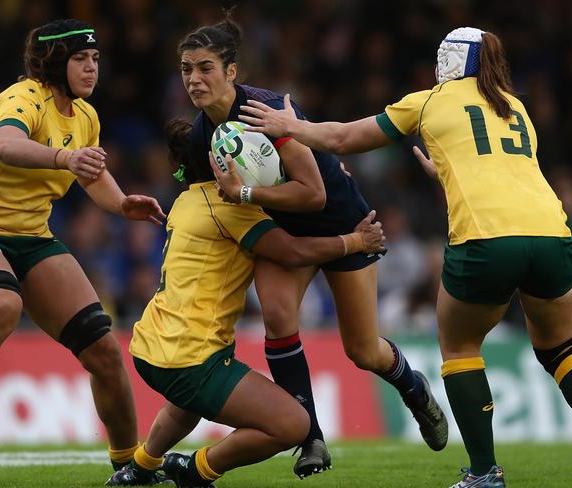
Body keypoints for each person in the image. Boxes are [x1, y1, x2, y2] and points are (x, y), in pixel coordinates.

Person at [240, 27, 572, 488]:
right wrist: (446, 172)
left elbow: (342, 138)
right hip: (553, 235)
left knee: (459, 349)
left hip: (486, 239)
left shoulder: (427, 101)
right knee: (560, 348)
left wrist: (291, 127)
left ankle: (484, 473)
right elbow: (502, 172)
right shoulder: (513, 105)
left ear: (455, 61)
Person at [175, 15, 449, 479]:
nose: (194, 79)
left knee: (363, 351)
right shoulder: (202, 134)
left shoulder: (265, 112)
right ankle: (312, 439)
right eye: (186, 69)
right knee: (278, 317)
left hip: (343, 222)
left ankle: (413, 386)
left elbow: (314, 193)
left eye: (205, 68)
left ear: (232, 72)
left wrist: (247, 194)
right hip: (285, 234)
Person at [0, 19, 166, 473]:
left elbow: (90, 173)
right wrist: (65, 157)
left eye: (95, 59)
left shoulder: (86, 116)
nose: (92, 68)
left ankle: (129, 468)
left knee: (105, 352)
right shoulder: (24, 98)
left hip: (33, 239)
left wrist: (121, 204)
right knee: (1, 305)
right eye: (81, 59)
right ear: (56, 62)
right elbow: (7, 144)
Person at [106, 118, 387, 487]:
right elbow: (289, 250)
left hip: (152, 345)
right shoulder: (231, 208)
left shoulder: (188, 199)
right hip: (191, 356)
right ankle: (195, 470)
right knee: (292, 425)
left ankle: (141, 468)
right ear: (218, 161)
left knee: (188, 403)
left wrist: (325, 174)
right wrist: (354, 241)